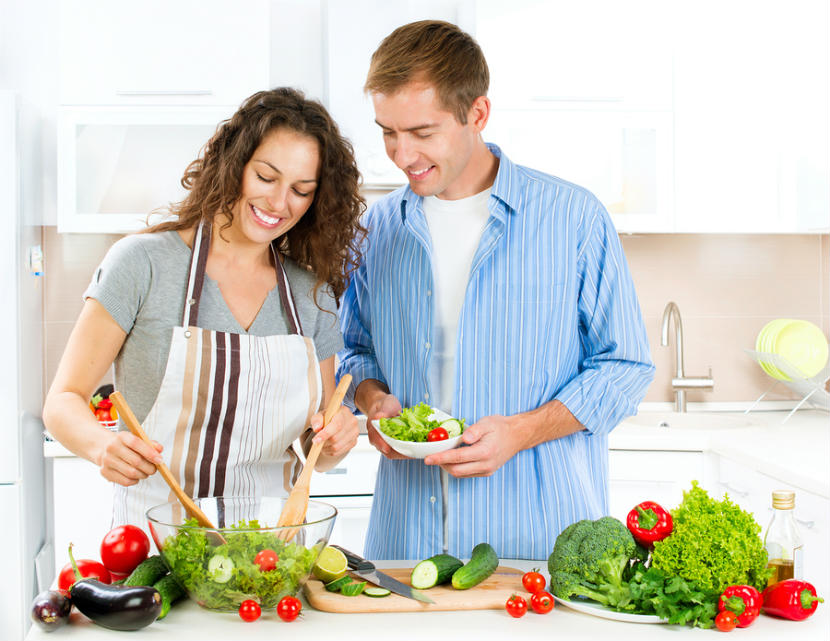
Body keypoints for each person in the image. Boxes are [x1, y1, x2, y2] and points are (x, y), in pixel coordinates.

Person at [337, 21, 655, 560]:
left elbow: (625, 366)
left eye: (422, 132)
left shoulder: (572, 218)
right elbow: (353, 350)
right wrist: (373, 401)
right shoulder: (378, 229)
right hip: (407, 541)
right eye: (387, 131)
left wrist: (522, 431)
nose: (401, 153)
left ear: (477, 114)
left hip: (539, 543)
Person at [44, 87, 365, 529]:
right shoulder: (142, 264)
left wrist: (335, 442)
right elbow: (62, 401)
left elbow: (319, 446)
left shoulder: (312, 294)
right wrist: (101, 446)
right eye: (266, 177)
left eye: (301, 190)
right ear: (234, 166)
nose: (278, 203)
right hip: (158, 547)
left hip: (271, 558)